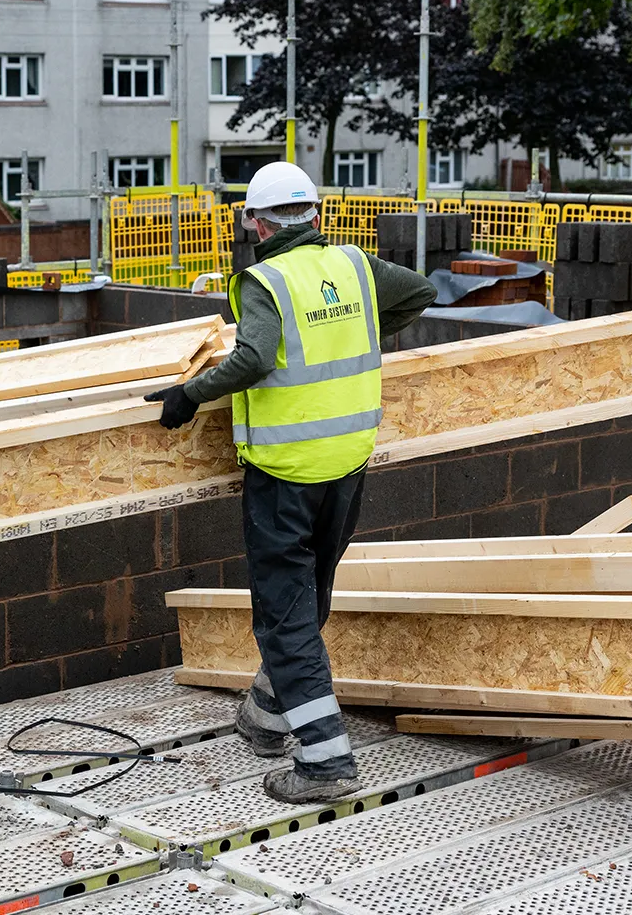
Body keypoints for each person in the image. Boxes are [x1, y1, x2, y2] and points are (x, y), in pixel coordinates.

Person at [144, 161, 436, 803]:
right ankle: (268, 714)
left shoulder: (263, 279)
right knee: (310, 595)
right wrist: (361, 336)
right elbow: (420, 292)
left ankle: (327, 763)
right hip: (348, 459)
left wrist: (189, 395)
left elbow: (251, 358)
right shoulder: (356, 265)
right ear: (315, 214)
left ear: (255, 221)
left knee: (282, 616)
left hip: (285, 470)